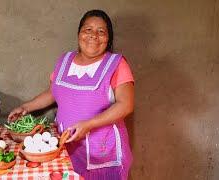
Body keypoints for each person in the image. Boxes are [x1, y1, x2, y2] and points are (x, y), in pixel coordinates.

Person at [8, 9, 134, 180]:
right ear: (79, 33)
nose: (93, 35)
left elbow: (126, 105)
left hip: (102, 153)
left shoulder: (117, 64)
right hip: (67, 146)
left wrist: (89, 124)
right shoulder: (65, 60)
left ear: (108, 38)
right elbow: (54, 92)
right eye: (88, 29)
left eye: (101, 31)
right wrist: (25, 107)